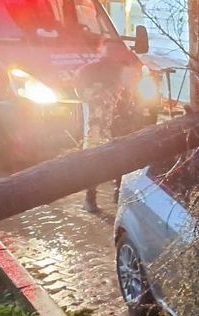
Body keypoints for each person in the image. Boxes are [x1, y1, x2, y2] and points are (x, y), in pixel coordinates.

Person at [75, 43, 139, 212]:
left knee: (98, 159)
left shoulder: (87, 71)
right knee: (115, 158)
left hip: (99, 125)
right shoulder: (113, 71)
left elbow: (81, 93)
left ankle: (94, 197)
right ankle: (110, 194)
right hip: (104, 125)